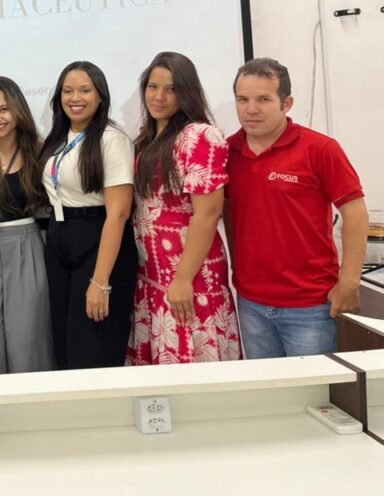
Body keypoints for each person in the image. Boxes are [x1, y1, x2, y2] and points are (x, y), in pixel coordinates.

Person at [226, 57, 368, 358]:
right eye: (242, 99)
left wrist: (349, 281)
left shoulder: (320, 149)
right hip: (251, 303)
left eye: (263, 99)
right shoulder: (227, 152)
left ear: (286, 103)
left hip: (310, 306)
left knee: (317, 388)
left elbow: (355, 212)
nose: (251, 109)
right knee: (268, 387)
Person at [126, 52, 240, 365]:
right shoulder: (147, 139)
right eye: (152, 87)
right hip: (152, 275)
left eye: (171, 89)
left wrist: (183, 278)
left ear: (186, 92)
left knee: (192, 371)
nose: (158, 97)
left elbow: (208, 213)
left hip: (189, 276)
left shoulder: (198, 135)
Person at [40, 62, 137, 370]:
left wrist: (101, 281)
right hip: (59, 239)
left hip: (98, 240)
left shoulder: (112, 139)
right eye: (67, 91)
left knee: (92, 348)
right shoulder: (59, 137)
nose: (75, 98)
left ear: (100, 96)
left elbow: (118, 214)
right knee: (64, 345)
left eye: (84, 90)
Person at [0, 76, 55, 374]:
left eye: (4, 109)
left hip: (26, 246)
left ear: (17, 109)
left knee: (27, 347)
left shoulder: (38, 151)